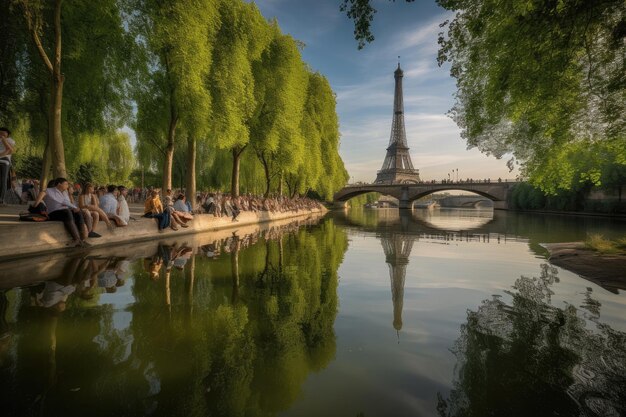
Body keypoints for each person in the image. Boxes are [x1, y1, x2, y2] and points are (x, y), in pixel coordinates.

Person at [33, 178, 90, 247]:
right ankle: (77, 239)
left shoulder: (63, 193)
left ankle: (82, 240)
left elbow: (66, 202)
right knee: (67, 211)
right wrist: (37, 203)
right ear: (59, 184)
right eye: (66, 184)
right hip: (53, 213)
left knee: (78, 212)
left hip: (63, 211)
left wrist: (74, 208)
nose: (67, 186)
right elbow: (36, 202)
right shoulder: (48, 191)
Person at [0, 127, 16, 205]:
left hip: (5, 161)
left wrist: (3, 139)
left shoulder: (10, 140)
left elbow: (10, 150)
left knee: (3, 180)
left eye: (4, 133)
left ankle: (2, 199)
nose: (2, 134)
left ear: (7, 133)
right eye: (0, 133)